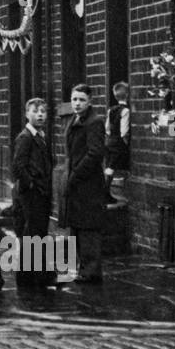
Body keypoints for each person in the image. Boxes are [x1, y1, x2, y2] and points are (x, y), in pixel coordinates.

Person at [63, 84, 108, 284]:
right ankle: (84, 268)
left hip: (88, 184)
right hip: (77, 183)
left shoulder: (94, 122)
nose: (77, 103)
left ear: (90, 101)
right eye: (74, 99)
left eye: (81, 99)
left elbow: (95, 153)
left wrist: (76, 174)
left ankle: (91, 270)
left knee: (89, 227)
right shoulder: (75, 120)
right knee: (78, 226)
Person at [11, 97, 56, 288]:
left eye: (43, 112)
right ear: (27, 114)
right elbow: (18, 166)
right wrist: (31, 184)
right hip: (32, 194)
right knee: (32, 233)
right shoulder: (25, 137)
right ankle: (29, 276)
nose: (40, 115)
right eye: (35, 111)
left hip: (42, 191)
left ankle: (39, 274)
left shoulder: (41, 136)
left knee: (38, 232)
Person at [104, 81, 131, 207]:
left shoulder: (111, 110)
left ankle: (106, 192)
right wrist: (125, 143)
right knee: (111, 168)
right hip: (118, 144)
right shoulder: (125, 111)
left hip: (109, 142)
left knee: (109, 166)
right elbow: (124, 131)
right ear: (128, 95)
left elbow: (107, 128)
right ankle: (104, 193)